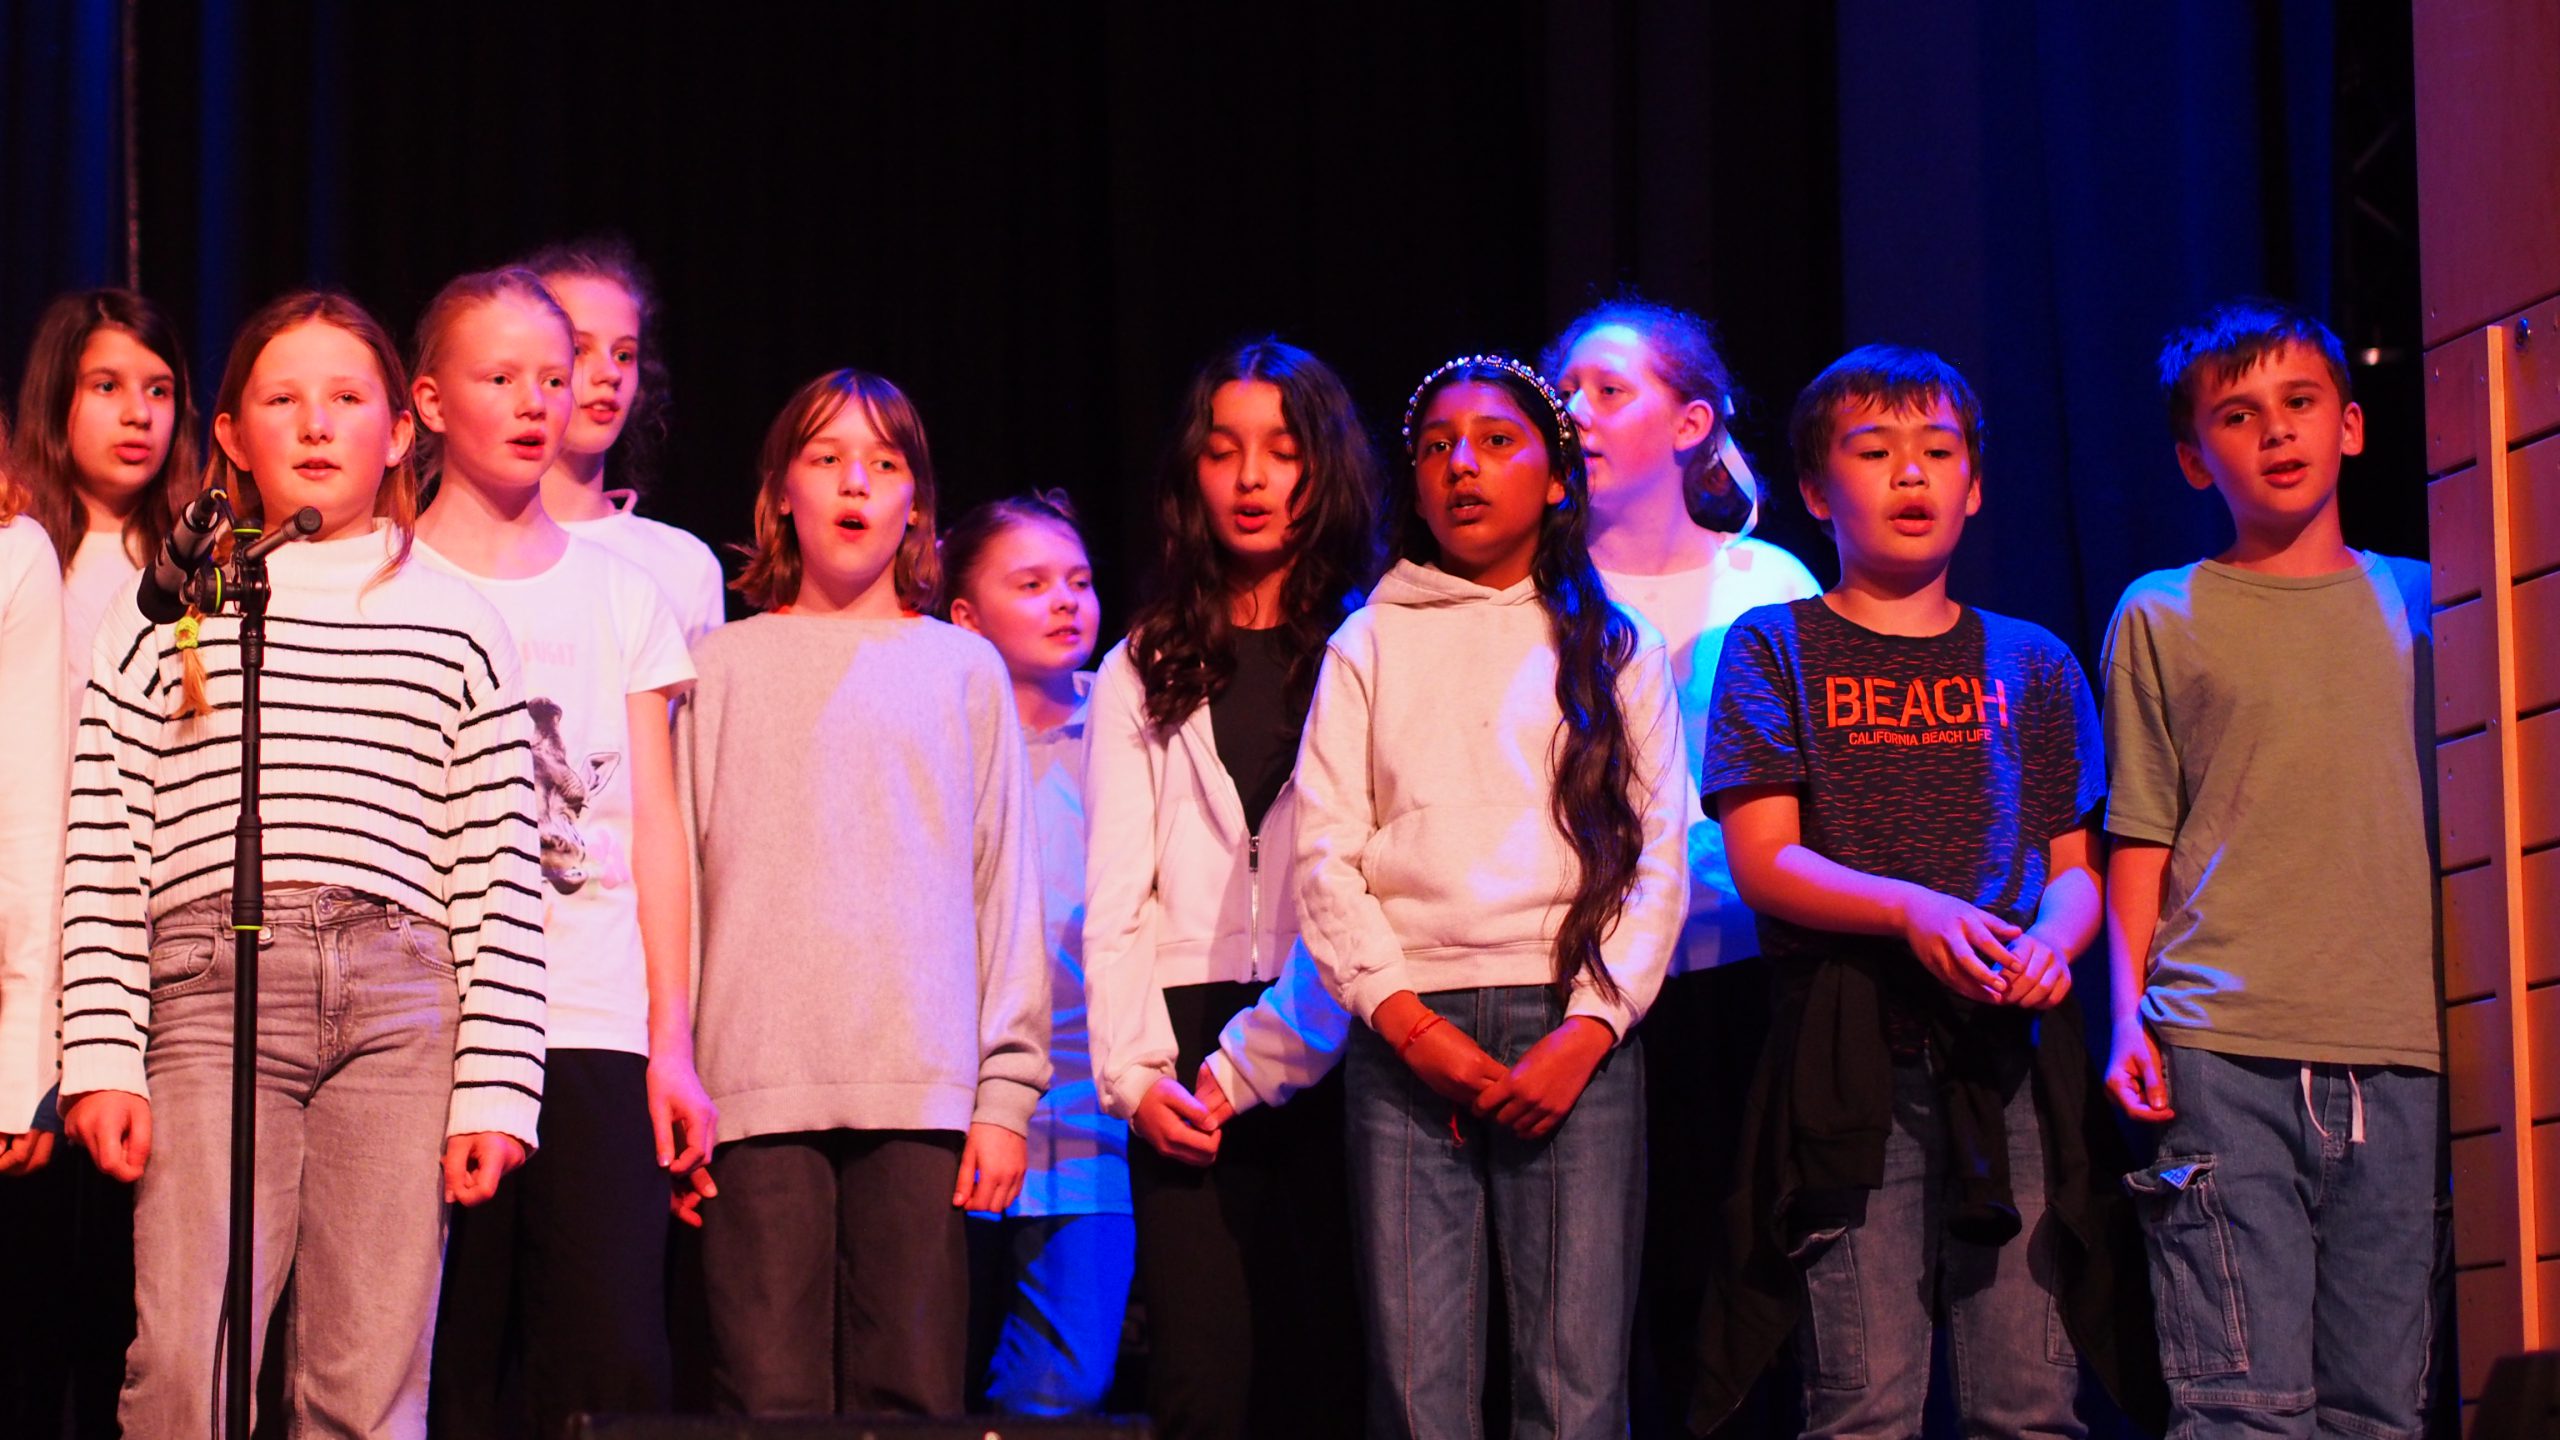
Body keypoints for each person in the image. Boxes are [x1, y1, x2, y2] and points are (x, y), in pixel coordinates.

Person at [57, 290, 547, 1438]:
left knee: (367, 1382)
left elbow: (494, 864)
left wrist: (497, 1082)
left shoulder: (461, 623)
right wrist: (101, 1054)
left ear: (401, 430)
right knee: (187, 1361)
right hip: (210, 993)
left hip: (400, 1002)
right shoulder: (163, 612)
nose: (317, 425)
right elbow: (106, 837)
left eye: (346, 398)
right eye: (283, 400)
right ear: (232, 434)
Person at [1693, 344, 2158, 1439]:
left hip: (2011, 1061)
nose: (1911, 473)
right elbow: (1765, 860)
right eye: (1874, 451)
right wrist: (1913, 908)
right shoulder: (1776, 645)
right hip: (1852, 1061)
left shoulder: (2033, 661)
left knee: (2029, 1405)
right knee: (1863, 1405)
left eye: (1938, 452)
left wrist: (2049, 944)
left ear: (1975, 485)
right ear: (1816, 492)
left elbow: (2074, 872)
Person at [1296, 353, 1690, 1438]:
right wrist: (1407, 1022)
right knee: (1417, 1391)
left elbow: (1658, 855)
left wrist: (1589, 1028)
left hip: (1569, 1032)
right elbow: (1323, 855)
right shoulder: (1369, 639)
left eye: (1496, 441)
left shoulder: (1614, 644)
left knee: (1573, 1391)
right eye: (1437, 448)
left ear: (1557, 478)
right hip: (1409, 1035)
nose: (1462, 465)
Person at [678, 367, 1048, 1417]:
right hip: (752, 1093)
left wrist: (1005, 1097)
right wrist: (684, 1079)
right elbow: (684, 884)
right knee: (767, 1397)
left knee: (913, 1396)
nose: (855, 483)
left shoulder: (962, 670)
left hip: (920, 1091)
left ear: (915, 504)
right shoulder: (719, 665)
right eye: (828, 458)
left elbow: (1002, 889)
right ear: (780, 492)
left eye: (884, 464)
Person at [2103, 300, 2439, 1439]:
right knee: (2241, 1407)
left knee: (2379, 1410)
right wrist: (2126, 1016)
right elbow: (2141, 833)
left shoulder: (2430, 600)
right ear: (2196, 458)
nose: (2278, 431)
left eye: (2299, 403)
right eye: (2239, 415)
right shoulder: (2162, 613)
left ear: (2351, 425)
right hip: (2222, 1047)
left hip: (2402, 1048)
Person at [407, 267, 709, 1438]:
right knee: (448, 1362)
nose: (537, 401)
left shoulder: (623, 596)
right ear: (430, 401)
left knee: (608, 1364)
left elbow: (656, 832)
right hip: (426, 1023)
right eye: (500, 378)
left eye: (554, 376)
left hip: (590, 1021)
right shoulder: (391, 583)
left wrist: (671, 1044)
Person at [1081, 337, 1376, 1439]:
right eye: (1223, 451)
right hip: (1184, 1051)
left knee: (1328, 1376)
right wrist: (1136, 1077)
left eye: (1282, 451)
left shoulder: (1369, 647)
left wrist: (1279, 1051)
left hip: (1339, 1025)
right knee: (1203, 1385)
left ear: (1324, 469)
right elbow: (1114, 896)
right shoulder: (1143, 660)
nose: (1251, 479)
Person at [942, 490, 1135, 1417]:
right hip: (957, 1105)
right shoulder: (940, 733)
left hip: (1089, 1109)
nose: (1066, 601)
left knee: (1067, 1377)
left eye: (1080, 581)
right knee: (925, 1366)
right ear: (966, 617)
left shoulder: (1129, 726)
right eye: (1031, 584)